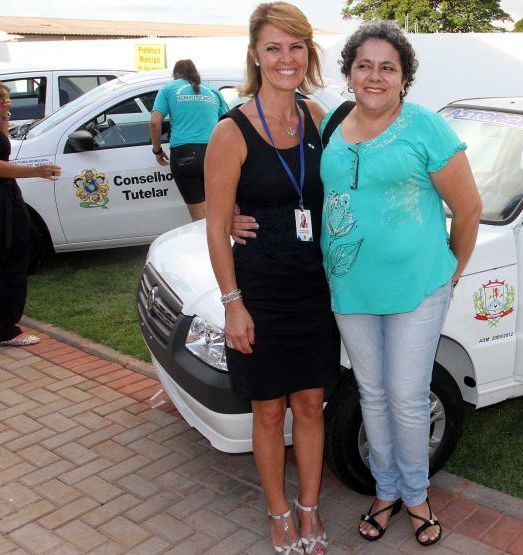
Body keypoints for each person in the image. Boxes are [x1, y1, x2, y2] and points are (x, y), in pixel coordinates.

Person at [325, 21, 480, 547]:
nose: (375, 76)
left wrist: (450, 273)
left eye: (387, 67)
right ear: (349, 73)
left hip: (417, 289)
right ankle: (386, 490)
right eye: (364, 65)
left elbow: (468, 208)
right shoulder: (329, 125)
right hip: (350, 288)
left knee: (408, 396)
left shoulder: (426, 128)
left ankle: (416, 496)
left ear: (404, 78)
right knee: (371, 393)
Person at [203, 3, 335, 554]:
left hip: (314, 291)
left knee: (309, 405)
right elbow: (215, 229)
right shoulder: (230, 131)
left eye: (296, 46)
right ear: (256, 55)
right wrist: (233, 303)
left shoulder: (319, 117)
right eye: (274, 47)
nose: (287, 58)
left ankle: (308, 506)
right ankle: (277, 512)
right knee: (267, 410)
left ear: (309, 53)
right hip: (259, 294)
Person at [0, 71, 60, 347]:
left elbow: (1, 149)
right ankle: (5, 329)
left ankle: (3, 324)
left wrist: (2, 118)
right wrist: (36, 171)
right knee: (14, 256)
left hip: (2, 194)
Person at [150, 59, 229, 221]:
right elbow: (227, 123)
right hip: (214, 152)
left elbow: (154, 121)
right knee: (219, 213)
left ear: (176, 75)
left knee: (199, 216)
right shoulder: (213, 91)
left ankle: (203, 245)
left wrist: (157, 150)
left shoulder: (169, 88)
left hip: (184, 154)